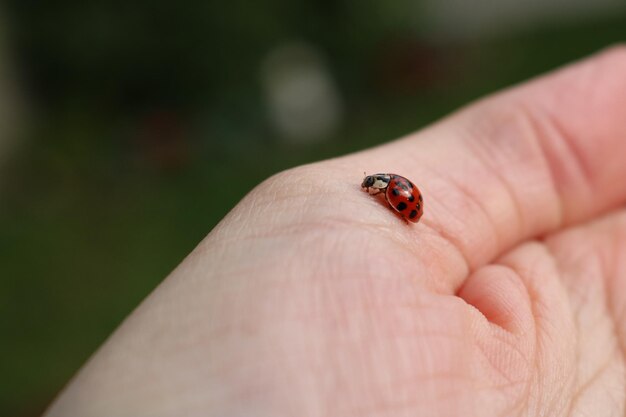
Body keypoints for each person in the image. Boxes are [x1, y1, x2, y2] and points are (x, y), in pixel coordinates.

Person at [45, 46, 626, 417]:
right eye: (383, 191)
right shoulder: (385, 191)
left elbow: (399, 196)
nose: (381, 192)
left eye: (381, 191)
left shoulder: (392, 192)